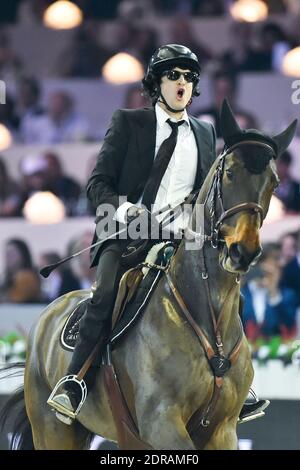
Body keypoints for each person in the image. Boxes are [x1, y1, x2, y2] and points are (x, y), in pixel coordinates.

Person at [48, 44, 268, 424]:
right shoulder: (128, 122)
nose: (182, 83)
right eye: (173, 76)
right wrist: (126, 209)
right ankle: (75, 380)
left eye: (188, 77)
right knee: (106, 294)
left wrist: (197, 218)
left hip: (184, 237)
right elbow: (98, 184)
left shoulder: (204, 131)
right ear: (156, 83)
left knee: (229, 290)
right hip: (128, 232)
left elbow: (204, 191)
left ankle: (236, 383)